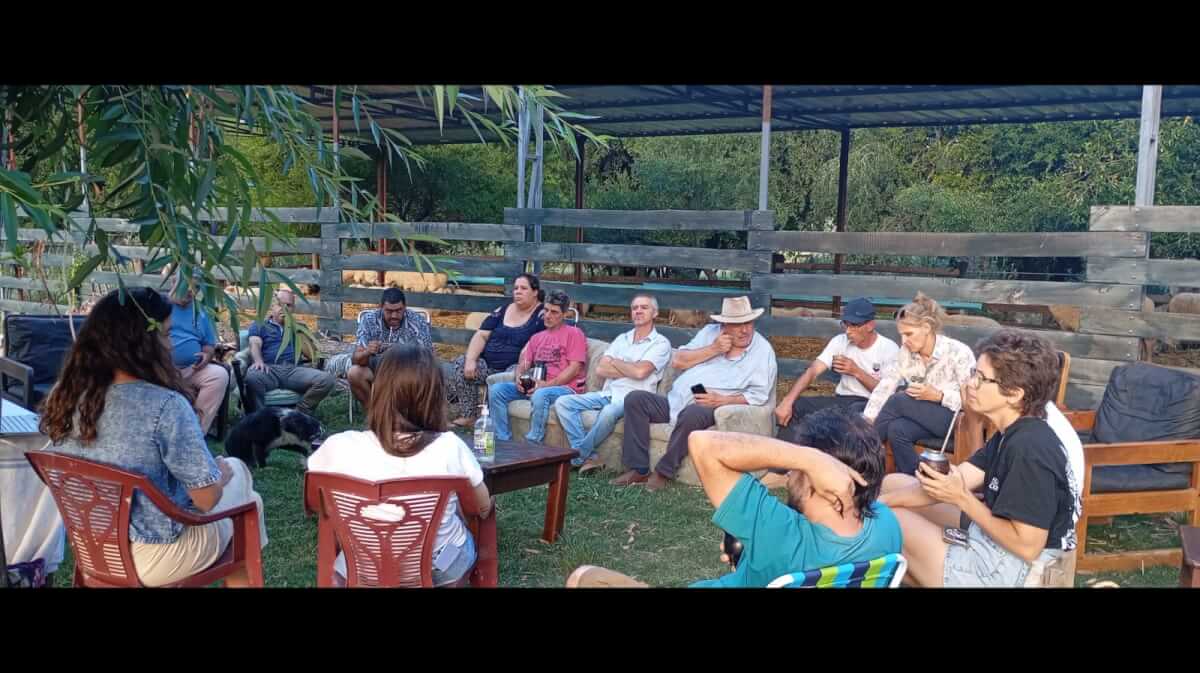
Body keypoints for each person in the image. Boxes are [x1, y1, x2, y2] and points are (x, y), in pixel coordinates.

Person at [41, 287, 267, 587]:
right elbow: (206, 499)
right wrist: (218, 477)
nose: (171, 345)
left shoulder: (66, 396)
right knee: (243, 484)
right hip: (154, 556)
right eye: (167, 334)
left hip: (92, 548)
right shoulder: (165, 406)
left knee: (240, 502)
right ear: (140, 342)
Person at [565, 406, 902, 588]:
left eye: (798, 467)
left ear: (821, 476)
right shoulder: (886, 526)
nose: (789, 474)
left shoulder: (777, 533)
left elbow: (703, 444)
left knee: (584, 577)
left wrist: (809, 458)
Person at [878, 329, 1081, 587]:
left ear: (1014, 393)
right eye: (974, 373)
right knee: (893, 485)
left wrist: (962, 498)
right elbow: (959, 479)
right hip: (996, 542)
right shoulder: (1013, 430)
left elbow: (1028, 547)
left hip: (1017, 569)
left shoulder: (1029, 449)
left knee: (892, 521)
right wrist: (878, 502)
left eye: (982, 379)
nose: (970, 384)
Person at [306, 344, 493, 586]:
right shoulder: (450, 446)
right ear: (434, 396)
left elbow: (316, 504)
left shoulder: (337, 446)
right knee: (462, 525)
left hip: (362, 566)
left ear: (377, 391)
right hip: (439, 568)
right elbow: (481, 508)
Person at [609, 296, 777, 492]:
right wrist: (714, 348)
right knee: (636, 399)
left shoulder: (762, 351)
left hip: (712, 404)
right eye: (738, 325)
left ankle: (663, 472)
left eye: (749, 323)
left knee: (692, 413)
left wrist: (722, 400)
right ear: (724, 326)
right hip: (677, 400)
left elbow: (759, 395)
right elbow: (678, 361)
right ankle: (638, 469)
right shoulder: (709, 333)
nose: (745, 330)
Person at [554, 293, 672, 473]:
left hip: (632, 399)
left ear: (655, 313)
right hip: (608, 393)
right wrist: (630, 367)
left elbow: (640, 373)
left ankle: (576, 457)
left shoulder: (660, 344)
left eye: (644, 307)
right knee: (563, 402)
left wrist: (615, 362)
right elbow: (601, 369)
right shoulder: (622, 338)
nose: (638, 311)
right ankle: (590, 457)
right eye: (635, 308)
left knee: (608, 412)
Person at [862, 292, 975, 474]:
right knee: (897, 429)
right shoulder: (905, 353)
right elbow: (885, 386)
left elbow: (972, 401)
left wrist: (939, 396)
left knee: (900, 400)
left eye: (909, 334)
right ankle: (913, 479)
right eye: (901, 335)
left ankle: (860, 457)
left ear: (926, 327)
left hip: (956, 420)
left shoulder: (958, 352)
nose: (904, 341)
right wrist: (867, 420)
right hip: (922, 417)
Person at [775, 297, 898, 444]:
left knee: (851, 419)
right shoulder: (840, 341)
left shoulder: (888, 349)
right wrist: (787, 401)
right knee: (797, 406)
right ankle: (782, 457)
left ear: (870, 325)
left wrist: (856, 372)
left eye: (854, 325)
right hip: (842, 400)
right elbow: (813, 371)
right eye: (845, 324)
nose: (848, 331)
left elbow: (888, 395)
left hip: (870, 404)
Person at [444, 273, 545, 427]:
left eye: (523, 288)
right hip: (488, 365)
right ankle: (469, 415)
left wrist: (521, 367)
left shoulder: (542, 315)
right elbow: (481, 335)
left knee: (510, 376)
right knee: (461, 363)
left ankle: (492, 419)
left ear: (535, 292)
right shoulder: (502, 310)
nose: (518, 291)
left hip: (516, 367)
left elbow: (535, 345)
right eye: (516, 288)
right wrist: (471, 360)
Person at [488, 289, 588, 444]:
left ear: (564, 314)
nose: (547, 315)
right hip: (538, 386)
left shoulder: (574, 333)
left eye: (554, 312)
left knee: (540, 394)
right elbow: (524, 363)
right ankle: (503, 442)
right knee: (497, 390)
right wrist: (519, 378)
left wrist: (545, 385)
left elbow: (574, 369)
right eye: (546, 310)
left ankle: (533, 443)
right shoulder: (537, 338)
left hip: (566, 388)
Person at [243, 288, 335, 416]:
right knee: (252, 377)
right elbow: (255, 343)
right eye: (280, 304)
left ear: (293, 308)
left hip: (293, 370)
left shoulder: (299, 327)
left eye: (289, 305)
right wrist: (258, 361)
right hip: (269, 369)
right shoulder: (260, 325)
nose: (284, 309)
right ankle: (260, 417)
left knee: (326, 380)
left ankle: (299, 413)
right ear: (273, 306)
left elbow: (311, 355)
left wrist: (296, 329)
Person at [166, 268, 230, 434]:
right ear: (173, 282)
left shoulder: (201, 311)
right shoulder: (159, 307)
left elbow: (208, 344)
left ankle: (196, 432)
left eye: (195, 287)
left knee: (219, 375)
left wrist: (207, 356)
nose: (189, 290)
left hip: (192, 369)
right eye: (185, 285)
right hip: (162, 368)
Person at [346, 287, 433, 406]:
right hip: (377, 368)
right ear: (380, 307)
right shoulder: (369, 320)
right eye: (389, 311)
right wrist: (367, 351)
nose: (394, 315)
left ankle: (405, 412)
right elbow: (356, 359)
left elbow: (428, 356)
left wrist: (404, 353)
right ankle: (374, 412)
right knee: (354, 373)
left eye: (399, 310)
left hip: (407, 369)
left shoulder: (417, 321)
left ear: (405, 307)